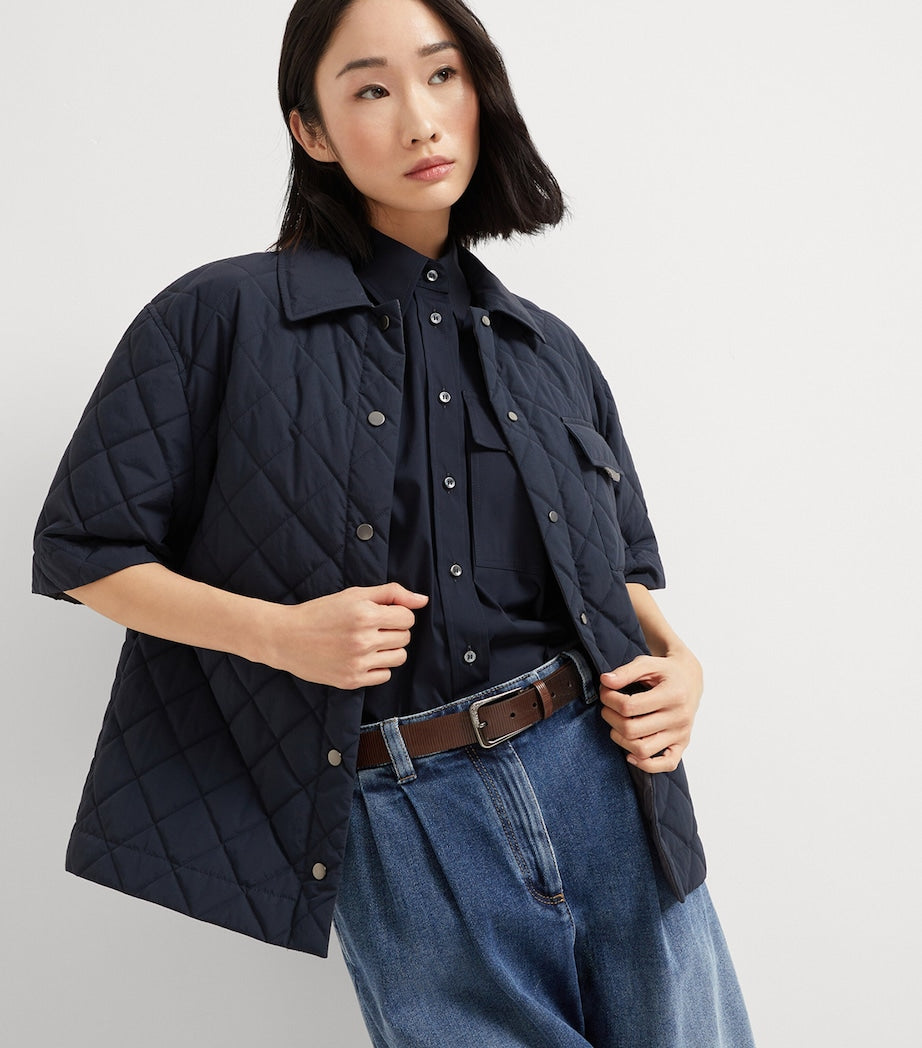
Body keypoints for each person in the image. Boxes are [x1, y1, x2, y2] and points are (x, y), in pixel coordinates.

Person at [32, 0, 754, 1044]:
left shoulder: (550, 350)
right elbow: (83, 549)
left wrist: (681, 668)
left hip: (606, 779)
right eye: (371, 87)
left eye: (442, 75)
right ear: (312, 130)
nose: (420, 118)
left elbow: (615, 576)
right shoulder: (218, 318)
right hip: (398, 811)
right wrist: (283, 636)